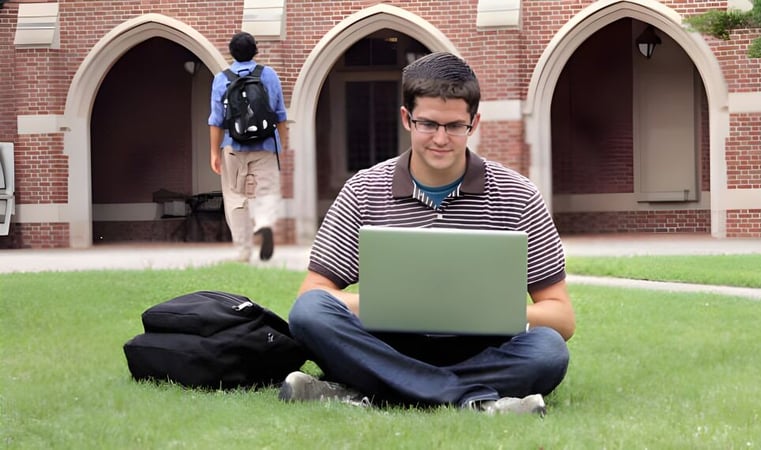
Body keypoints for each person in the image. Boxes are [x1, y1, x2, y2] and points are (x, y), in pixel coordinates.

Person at [279, 52, 575, 415]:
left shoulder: (518, 195)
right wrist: (391, 306)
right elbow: (314, 295)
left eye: (454, 126)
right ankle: (473, 399)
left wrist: (484, 312)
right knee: (309, 313)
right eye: (428, 124)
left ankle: (366, 391)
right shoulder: (364, 189)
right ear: (407, 118)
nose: (441, 138)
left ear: (474, 122)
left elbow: (562, 316)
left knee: (548, 350)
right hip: (388, 343)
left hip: (482, 347)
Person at [208, 32, 289, 262]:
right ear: (256, 51)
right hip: (265, 144)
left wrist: (214, 152)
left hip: (233, 146)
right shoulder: (269, 75)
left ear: (231, 53)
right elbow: (280, 114)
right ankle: (263, 223)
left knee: (235, 197)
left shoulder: (221, 78)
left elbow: (216, 120)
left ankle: (243, 251)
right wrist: (282, 146)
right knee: (268, 192)